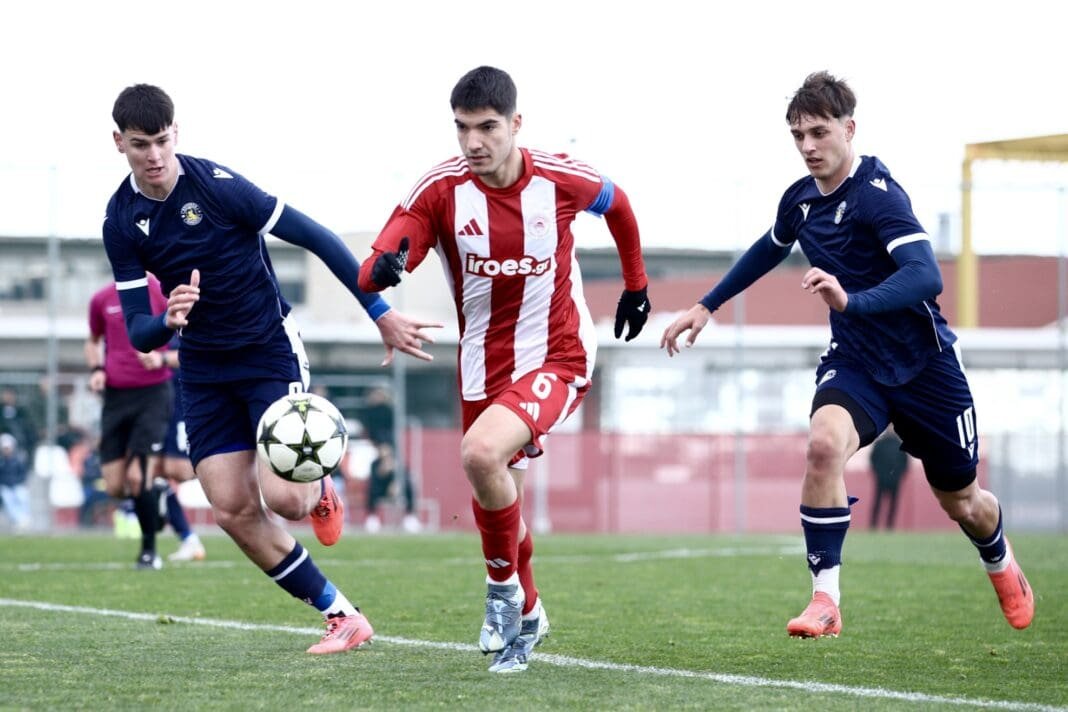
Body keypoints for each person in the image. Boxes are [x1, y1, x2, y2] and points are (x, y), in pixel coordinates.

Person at [661, 71, 1033, 638]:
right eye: (798, 136)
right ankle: (825, 600)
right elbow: (769, 247)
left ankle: (1000, 559)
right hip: (856, 361)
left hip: (924, 366)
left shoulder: (878, 196)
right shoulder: (801, 201)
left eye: (819, 132)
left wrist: (851, 300)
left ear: (849, 129)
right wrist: (706, 305)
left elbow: (925, 275)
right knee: (823, 445)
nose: (808, 146)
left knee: (963, 502)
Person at [102, 84, 440, 654]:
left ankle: (319, 486)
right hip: (203, 369)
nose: (154, 155)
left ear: (176, 133)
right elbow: (139, 330)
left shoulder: (218, 187)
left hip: (267, 352)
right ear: (119, 143)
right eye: (141, 144)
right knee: (232, 510)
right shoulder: (120, 220)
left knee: (287, 501)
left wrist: (380, 312)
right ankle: (342, 615)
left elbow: (317, 238)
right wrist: (167, 321)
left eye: (162, 140)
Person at [357, 66, 652, 672]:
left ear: (517, 124)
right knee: (499, 498)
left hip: (559, 353)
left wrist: (636, 286)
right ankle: (530, 611)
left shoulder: (561, 179)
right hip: (482, 365)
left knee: (480, 453)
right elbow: (378, 262)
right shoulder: (440, 190)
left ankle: (500, 595)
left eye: (488, 127)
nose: (474, 142)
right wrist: (382, 271)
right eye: (462, 128)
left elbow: (619, 205)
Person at [86, 277, 174, 569]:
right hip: (115, 398)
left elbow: (191, 343)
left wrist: (163, 359)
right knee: (115, 487)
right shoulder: (102, 298)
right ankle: (154, 494)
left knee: (137, 477)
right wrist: (97, 369)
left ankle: (149, 551)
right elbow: (93, 341)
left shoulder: (162, 292)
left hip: (153, 395)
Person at [364, 441, 420, 534]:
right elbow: (374, 479)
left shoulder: (397, 462)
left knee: (410, 487)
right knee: (371, 489)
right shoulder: (375, 464)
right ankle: (372, 517)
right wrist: (382, 472)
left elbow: (405, 476)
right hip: (381, 490)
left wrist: (397, 484)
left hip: (396, 490)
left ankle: (410, 517)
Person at [869, 427, 908, 530]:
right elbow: (873, 460)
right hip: (881, 479)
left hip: (895, 480)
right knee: (878, 503)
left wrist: (898, 475)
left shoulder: (900, 444)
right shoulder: (880, 444)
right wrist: (879, 473)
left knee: (893, 504)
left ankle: (889, 526)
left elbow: (904, 463)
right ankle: (873, 525)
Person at [0, 432, 31, 530]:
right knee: (9, 502)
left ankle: (24, 520)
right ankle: (18, 521)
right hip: (5, 486)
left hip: (17, 484)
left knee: (22, 498)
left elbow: (23, 473)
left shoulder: (18, 460)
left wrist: (18, 482)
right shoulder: (2, 461)